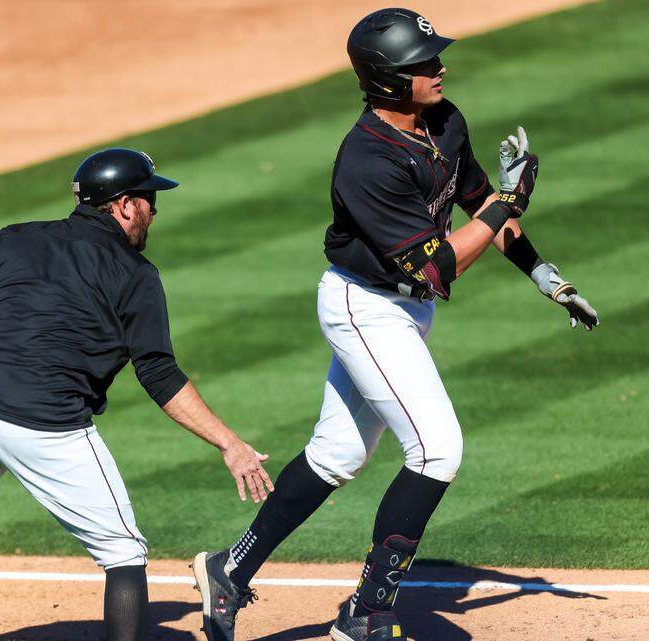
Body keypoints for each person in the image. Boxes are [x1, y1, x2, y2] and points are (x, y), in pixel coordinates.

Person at [191, 9, 598, 641]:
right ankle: (367, 612)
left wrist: (545, 274)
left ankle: (230, 568)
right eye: (422, 64)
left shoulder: (444, 120)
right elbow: (439, 267)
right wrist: (504, 206)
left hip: (407, 309)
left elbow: (477, 203)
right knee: (438, 451)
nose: (439, 68)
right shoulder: (366, 162)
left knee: (339, 453)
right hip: (366, 307)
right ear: (386, 80)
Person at [0, 148, 275, 641]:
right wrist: (228, 442)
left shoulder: (14, 239)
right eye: (150, 199)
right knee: (124, 555)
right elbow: (159, 375)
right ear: (124, 205)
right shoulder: (136, 275)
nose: (155, 210)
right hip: (48, 427)